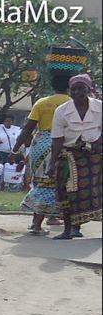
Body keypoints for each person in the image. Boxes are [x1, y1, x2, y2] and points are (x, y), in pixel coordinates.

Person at [14, 74, 72, 235]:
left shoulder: (42, 102)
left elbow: (28, 128)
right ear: (69, 87)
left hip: (39, 145)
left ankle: (45, 219)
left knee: (39, 182)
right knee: (58, 184)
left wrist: (15, 149)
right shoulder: (71, 104)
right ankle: (37, 223)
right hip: (60, 144)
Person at [47, 73, 102, 240]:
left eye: (81, 88)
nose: (78, 92)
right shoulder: (62, 111)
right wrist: (52, 163)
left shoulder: (100, 107)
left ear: (89, 89)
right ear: (69, 91)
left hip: (95, 156)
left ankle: (80, 228)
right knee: (67, 191)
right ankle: (69, 230)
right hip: (69, 155)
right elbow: (57, 139)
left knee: (97, 190)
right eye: (74, 89)